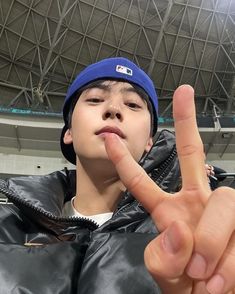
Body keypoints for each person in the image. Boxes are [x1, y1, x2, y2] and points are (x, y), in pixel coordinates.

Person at [0, 57, 234, 294]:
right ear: (68, 131)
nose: (113, 109)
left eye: (132, 105)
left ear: (149, 142)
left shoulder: (180, 233)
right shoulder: (6, 225)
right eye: (95, 99)